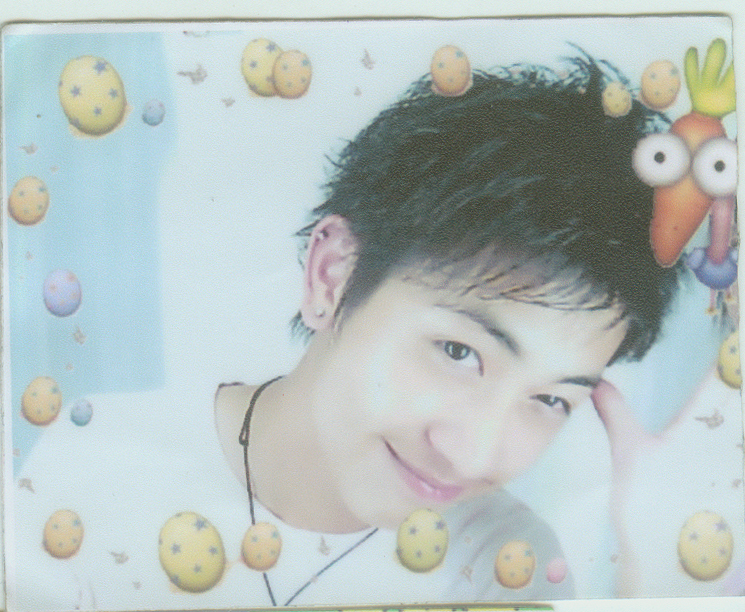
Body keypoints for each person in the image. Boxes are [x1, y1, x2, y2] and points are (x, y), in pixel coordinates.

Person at [214, 56, 680, 604]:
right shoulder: (131, 459)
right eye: (459, 352)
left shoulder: (507, 563)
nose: (473, 458)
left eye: (551, 399)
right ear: (332, 275)